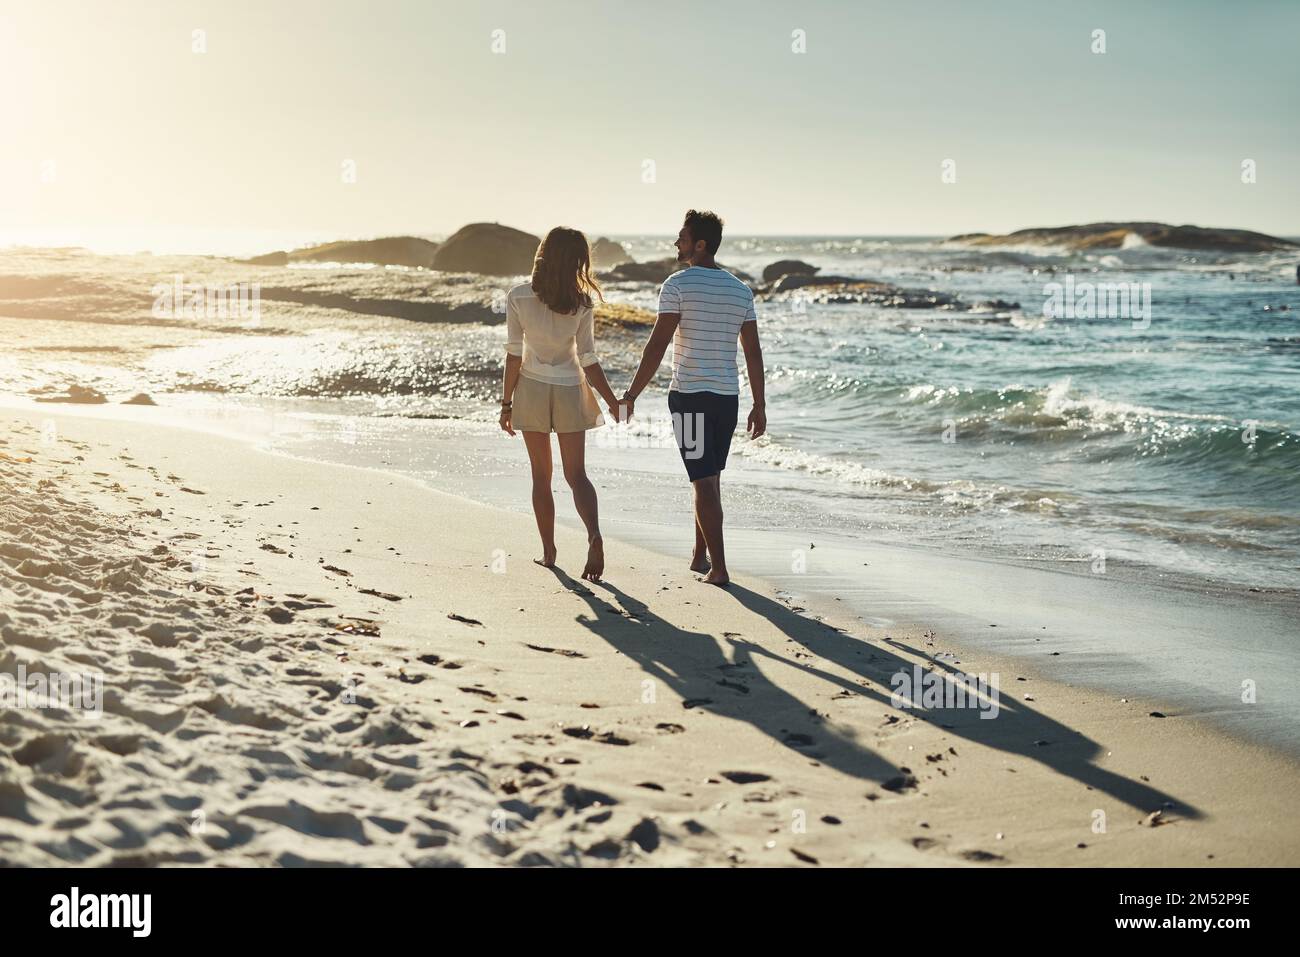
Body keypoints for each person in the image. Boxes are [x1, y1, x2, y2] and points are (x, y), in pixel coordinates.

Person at [621, 209, 766, 586]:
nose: (677, 244)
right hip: (727, 399)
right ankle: (699, 556)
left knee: (703, 482)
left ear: (700, 245)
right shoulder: (740, 290)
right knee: (709, 478)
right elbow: (752, 352)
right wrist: (759, 404)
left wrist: (631, 393)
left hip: (689, 397)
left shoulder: (677, 285)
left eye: (682, 238)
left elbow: (657, 345)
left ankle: (719, 569)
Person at [499, 227, 624, 581]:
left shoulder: (518, 296)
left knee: (542, 476)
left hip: (532, 389)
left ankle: (549, 552)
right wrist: (612, 400)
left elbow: (512, 355)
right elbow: (588, 358)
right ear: (577, 261)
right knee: (576, 475)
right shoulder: (582, 302)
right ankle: (594, 536)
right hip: (570, 388)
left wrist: (506, 404)